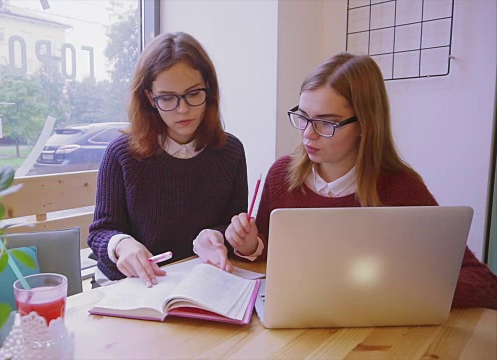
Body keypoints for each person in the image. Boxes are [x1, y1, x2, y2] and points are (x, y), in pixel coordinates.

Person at [196, 52, 497, 309]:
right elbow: (260, 262)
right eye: (302, 117)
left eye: (326, 123)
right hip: (296, 327)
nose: (307, 134)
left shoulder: (399, 187)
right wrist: (250, 246)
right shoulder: (282, 175)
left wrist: (399, 285)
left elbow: (483, 283)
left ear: (365, 125)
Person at [87, 32, 248, 288]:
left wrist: (218, 235)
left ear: (209, 88)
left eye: (193, 94)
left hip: (199, 283)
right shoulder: (122, 154)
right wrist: (123, 245)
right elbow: (101, 231)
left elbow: (232, 224)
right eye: (167, 98)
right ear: (150, 98)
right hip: (132, 286)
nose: (182, 109)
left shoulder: (230, 151)